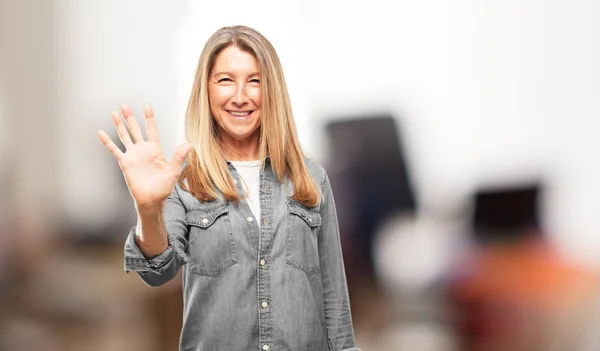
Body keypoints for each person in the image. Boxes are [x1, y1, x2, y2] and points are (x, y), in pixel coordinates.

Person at [97, 25, 359, 351]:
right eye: (225, 80)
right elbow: (156, 271)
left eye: (254, 81)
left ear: (272, 90)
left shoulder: (311, 178)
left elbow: (335, 303)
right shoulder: (186, 181)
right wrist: (148, 208)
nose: (239, 96)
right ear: (206, 90)